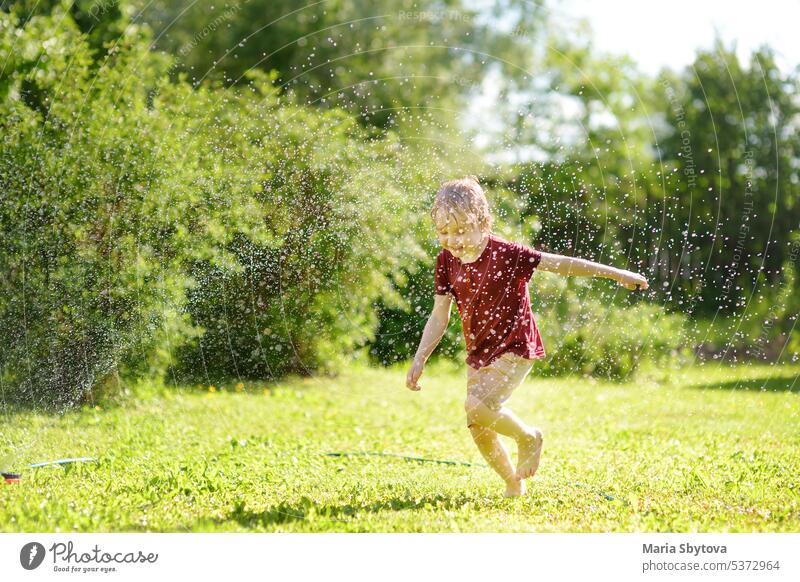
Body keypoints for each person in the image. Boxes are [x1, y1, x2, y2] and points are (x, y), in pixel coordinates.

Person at [405, 176, 649, 497]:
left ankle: (528, 437)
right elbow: (440, 313)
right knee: (478, 425)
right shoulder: (445, 260)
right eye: (444, 231)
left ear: (484, 222)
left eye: (462, 230)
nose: (453, 240)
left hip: (515, 345)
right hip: (479, 351)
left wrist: (617, 274)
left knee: (476, 406)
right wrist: (421, 357)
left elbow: (561, 265)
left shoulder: (507, 254)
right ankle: (512, 483)